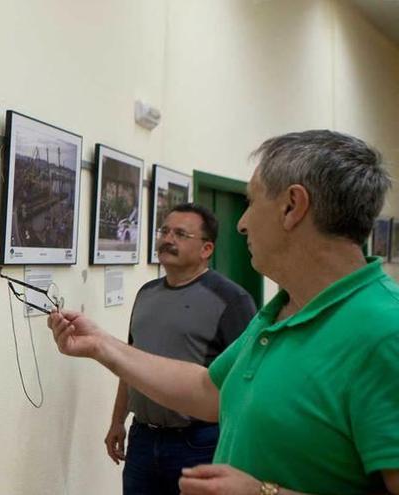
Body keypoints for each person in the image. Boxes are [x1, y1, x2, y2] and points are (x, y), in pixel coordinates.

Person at [48, 130, 399, 495]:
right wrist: (101, 345)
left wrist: (264, 493)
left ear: (293, 206)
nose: (242, 222)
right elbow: (208, 389)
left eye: (251, 201)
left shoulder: (386, 331)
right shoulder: (281, 313)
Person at [110, 203, 256, 495]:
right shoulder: (146, 293)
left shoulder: (232, 300)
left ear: (206, 249)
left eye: (180, 234)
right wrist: (117, 421)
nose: (167, 239)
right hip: (142, 440)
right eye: (164, 231)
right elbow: (130, 363)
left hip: (198, 444)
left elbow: (248, 380)